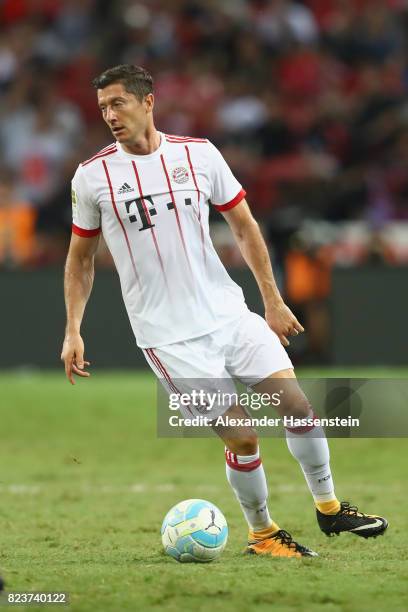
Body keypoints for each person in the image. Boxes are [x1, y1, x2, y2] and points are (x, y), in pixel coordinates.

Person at [61, 65, 388, 558]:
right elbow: (80, 259)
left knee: (298, 407)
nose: (110, 115)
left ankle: (330, 509)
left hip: (230, 314)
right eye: (103, 106)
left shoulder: (200, 154)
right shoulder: (92, 177)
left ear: (149, 101)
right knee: (243, 434)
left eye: (118, 103)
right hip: (169, 336)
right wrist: (73, 329)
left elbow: (243, 225)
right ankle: (263, 533)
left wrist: (272, 301)